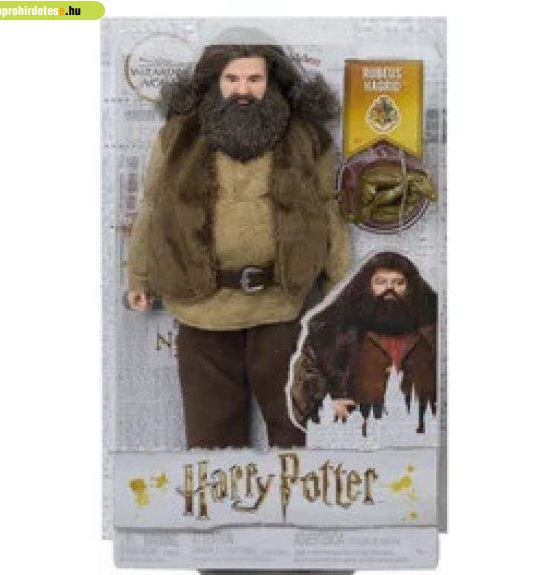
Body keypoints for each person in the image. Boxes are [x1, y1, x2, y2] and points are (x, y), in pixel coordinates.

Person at [126, 42, 351, 449]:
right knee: (211, 439)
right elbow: (154, 207)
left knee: (297, 429)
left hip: (282, 306)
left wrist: (340, 288)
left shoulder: (305, 138)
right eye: (231, 78)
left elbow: (328, 209)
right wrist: (139, 277)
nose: (242, 89)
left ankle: (297, 487)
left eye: (254, 78)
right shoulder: (178, 138)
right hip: (201, 308)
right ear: (214, 82)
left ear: (271, 81)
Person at [290, 252, 436, 434]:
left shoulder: (435, 330)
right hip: (354, 439)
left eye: (398, 283)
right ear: (367, 286)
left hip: (423, 438)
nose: (389, 289)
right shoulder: (331, 333)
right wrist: (328, 407)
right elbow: (303, 396)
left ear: (410, 288)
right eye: (380, 282)